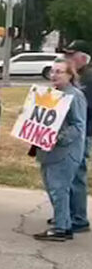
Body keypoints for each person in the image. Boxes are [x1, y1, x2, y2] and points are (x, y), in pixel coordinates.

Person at [35, 59, 88, 241]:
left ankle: (60, 228)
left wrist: (58, 137)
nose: (54, 75)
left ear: (70, 75)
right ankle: (63, 223)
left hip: (65, 152)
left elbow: (78, 125)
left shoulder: (74, 95)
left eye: (59, 72)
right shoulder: (52, 94)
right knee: (53, 189)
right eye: (52, 71)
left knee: (59, 189)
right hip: (47, 151)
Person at [61, 40, 92, 234]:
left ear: (83, 57)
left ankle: (78, 218)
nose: (67, 59)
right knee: (68, 173)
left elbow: (82, 107)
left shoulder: (88, 78)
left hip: (83, 133)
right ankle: (67, 213)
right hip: (76, 131)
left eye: (71, 55)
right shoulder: (79, 77)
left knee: (76, 174)